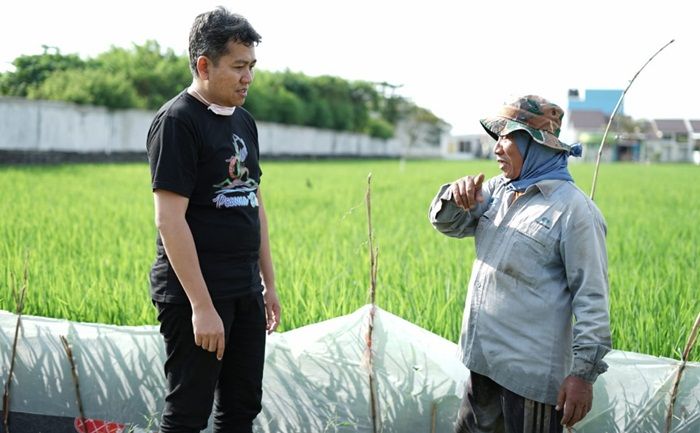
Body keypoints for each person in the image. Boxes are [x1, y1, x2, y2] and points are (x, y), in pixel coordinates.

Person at [428, 95, 611, 433]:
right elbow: (450, 225)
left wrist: (582, 376)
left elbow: (592, 299)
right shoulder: (497, 191)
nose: (497, 148)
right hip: (481, 362)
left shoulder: (573, 211)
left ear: (537, 144)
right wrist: (454, 198)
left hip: (529, 381)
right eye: (496, 138)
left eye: (508, 137)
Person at [146, 7, 281, 433]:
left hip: (245, 291)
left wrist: (269, 285)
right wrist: (202, 307)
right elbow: (169, 220)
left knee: (241, 408)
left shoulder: (244, 121)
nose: (248, 78)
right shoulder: (178, 121)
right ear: (204, 65)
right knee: (188, 412)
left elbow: (252, 201)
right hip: (197, 296)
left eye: (252, 67)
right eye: (238, 67)